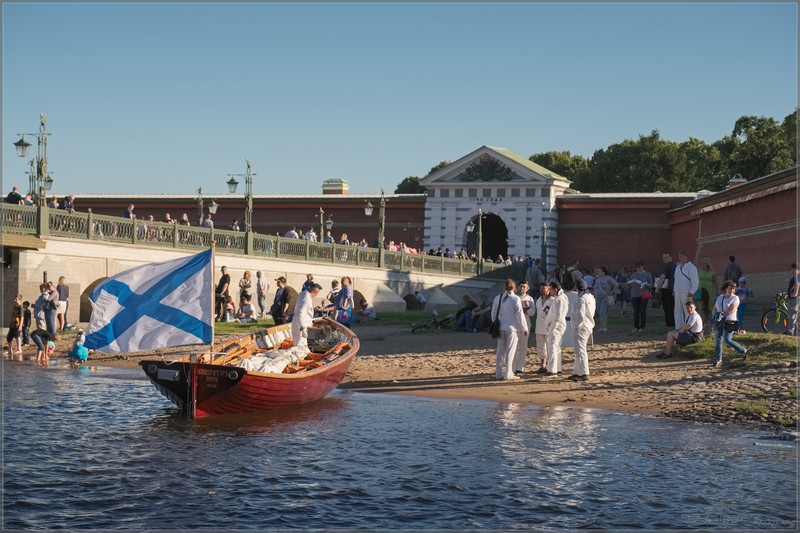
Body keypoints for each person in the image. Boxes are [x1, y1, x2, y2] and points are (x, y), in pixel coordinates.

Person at [491, 279, 528, 381]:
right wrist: (524, 327)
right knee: (510, 352)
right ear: (514, 287)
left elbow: (493, 313)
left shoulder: (497, 298)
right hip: (512, 328)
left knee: (500, 351)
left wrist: (495, 322)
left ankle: (498, 374)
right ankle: (508, 373)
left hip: (500, 327)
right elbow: (519, 315)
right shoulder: (515, 299)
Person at [711, 280, 748, 367]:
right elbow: (715, 308)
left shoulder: (735, 298)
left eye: (733, 289)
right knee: (718, 341)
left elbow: (732, 310)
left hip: (729, 322)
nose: (732, 290)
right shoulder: (720, 297)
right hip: (719, 322)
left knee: (727, 340)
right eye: (730, 289)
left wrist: (722, 314)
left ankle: (743, 351)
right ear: (725, 289)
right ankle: (718, 360)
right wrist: (714, 316)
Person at [571, 278, 596, 381]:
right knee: (579, 350)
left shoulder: (581, 299)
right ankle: (577, 371)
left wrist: (576, 326)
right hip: (588, 325)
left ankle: (584, 372)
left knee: (580, 350)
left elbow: (580, 316)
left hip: (581, 327)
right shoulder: (590, 297)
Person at [544, 281, 569, 376]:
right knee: (556, 347)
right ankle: (557, 368)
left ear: (555, 289)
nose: (549, 291)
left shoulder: (559, 299)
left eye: (550, 289)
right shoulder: (561, 297)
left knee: (553, 347)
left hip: (556, 326)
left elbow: (558, 316)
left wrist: (552, 326)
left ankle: (552, 370)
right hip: (558, 325)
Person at [512, 281, 536, 375]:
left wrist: (527, 308)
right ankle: (512, 367)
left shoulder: (530, 299)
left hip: (526, 323)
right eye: (521, 286)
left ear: (527, 288)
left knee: (523, 346)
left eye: (524, 287)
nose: (522, 288)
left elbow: (532, 312)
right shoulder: (514, 297)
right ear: (517, 287)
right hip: (515, 324)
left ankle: (520, 367)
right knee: (513, 345)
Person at [672, 251, 699, 329]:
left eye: (683, 256)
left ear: (687, 257)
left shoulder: (691, 267)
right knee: (677, 310)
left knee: (687, 310)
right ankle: (679, 327)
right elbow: (676, 279)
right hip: (677, 291)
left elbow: (695, 281)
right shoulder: (677, 267)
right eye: (680, 256)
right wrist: (674, 289)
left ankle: (688, 327)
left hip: (686, 292)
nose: (681, 258)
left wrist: (692, 291)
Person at [292, 282, 322, 350]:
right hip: (300, 324)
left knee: (298, 345)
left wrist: (312, 309)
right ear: (316, 292)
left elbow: (302, 308)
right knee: (300, 347)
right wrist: (302, 329)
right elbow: (300, 314)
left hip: (296, 321)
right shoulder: (307, 299)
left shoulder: (303, 294)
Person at [627, 262, 653, 334]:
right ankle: (636, 326)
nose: (639, 268)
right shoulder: (633, 275)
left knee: (642, 310)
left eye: (640, 267)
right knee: (636, 311)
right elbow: (630, 284)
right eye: (637, 267)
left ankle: (642, 326)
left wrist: (646, 284)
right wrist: (629, 284)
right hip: (635, 294)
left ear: (643, 266)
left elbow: (651, 284)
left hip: (644, 294)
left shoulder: (647, 274)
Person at [592, 266, 618, 333]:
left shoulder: (608, 278)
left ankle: (604, 327)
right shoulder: (597, 279)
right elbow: (595, 288)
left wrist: (612, 292)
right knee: (599, 312)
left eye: (600, 271)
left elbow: (616, 284)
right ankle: (601, 326)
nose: (598, 273)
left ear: (604, 272)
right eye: (598, 271)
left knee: (603, 312)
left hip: (605, 298)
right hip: (598, 297)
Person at [533, 283, 552, 373]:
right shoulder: (538, 300)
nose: (541, 290)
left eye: (543, 288)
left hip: (549, 327)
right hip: (539, 326)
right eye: (540, 288)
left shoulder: (552, 300)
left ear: (548, 288)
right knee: (540, 347)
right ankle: (543, 365)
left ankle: (550, 365)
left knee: (549, 347)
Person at [31, 285, 51, 367]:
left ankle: (44, 355)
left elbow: (46, 300)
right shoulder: (41, 296)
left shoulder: (45, 295)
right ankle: (44, 354)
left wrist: (36, 306)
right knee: (42, 336)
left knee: (43, 336)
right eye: (40, 288)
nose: (41, 290)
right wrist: (35, 306)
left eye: (42, 288)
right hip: (39, 316)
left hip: (41, 317)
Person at [656, 252, 676, 328]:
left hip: (667, 289)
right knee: (673, 306)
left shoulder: (667, 266)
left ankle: (669, 324)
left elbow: (662, 277)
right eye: (663, 257)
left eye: (666, 257)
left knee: (667, 307)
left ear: (670, 257)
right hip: (674, 289)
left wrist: (657, 288)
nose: (664, 259)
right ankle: (674, 322)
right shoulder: (675, 266)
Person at [696, 258, 718, 322]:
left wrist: (717, 291)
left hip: (709, 291)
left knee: (708, 306)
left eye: (703, 264)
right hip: (700, 291)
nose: (702, 265)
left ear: (707, 264)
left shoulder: (712, 273)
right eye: (701, 264)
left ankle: (706, 319)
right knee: (701, 306)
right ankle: (702, 321)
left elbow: (716, 283)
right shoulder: (698, 271)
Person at [787, 263, 800, 336]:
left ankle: (790, 332)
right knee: (793, 315)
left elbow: (796, 285)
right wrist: (786, 293)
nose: (792, 271)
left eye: (794, 269)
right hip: (796, 298)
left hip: (794, 299)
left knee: (792, 316)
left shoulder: (796, 277)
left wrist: (794, 294)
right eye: (792, 269)